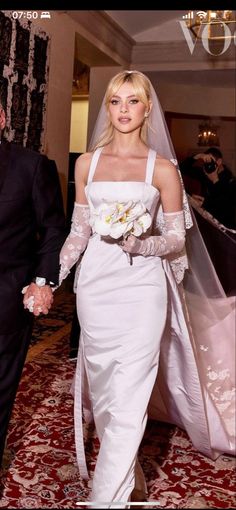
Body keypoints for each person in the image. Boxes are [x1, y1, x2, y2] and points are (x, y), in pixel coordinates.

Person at [58, 71, 235, 507]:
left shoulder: (163, 169)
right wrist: (50, 277)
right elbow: (78, 233)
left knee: (131, 393)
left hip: (142, 291)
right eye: (115, 101)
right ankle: (129, 476)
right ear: (108, 108)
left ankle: (107, 500)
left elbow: (176, 239)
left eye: (132, 102)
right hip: (96, 290)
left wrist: (141, 242)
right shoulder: (87, 163)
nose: (122, 110)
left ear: (146, 109)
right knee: (104, 393)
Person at [0, 99, 66, 468]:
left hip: (5, 297)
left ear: (2, 117)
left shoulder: (31, 166)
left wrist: (42, 281)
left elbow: (54, 227)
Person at [180, 147, 236, 229]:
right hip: (207, 222)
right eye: (206, 161)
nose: (208, 164)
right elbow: (182, 168)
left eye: (211, 161)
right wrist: (197, 156)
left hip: (223, 228)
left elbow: (226, 208)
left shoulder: (231, 181)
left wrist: (215, 180)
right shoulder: (205, 173)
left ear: (219, 162)